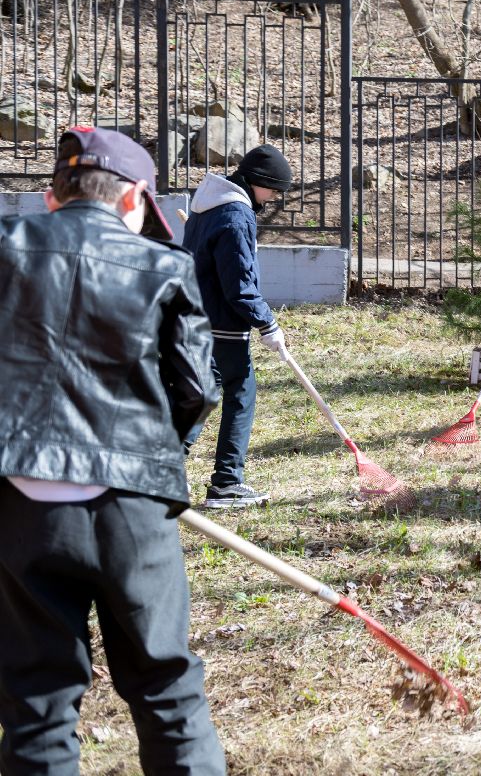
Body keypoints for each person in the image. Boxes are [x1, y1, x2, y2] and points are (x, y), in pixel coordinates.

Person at [0, 128, 226, 774]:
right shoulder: (162, 266)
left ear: (52, 198)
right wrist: (157, 458)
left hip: (20, 507)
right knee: (168, 690)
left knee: (35, 703)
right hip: (132, 508)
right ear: (133, 200)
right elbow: (198, 387)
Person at [183, 144, 294, 509]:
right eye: (274, 189)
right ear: (257, 181)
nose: (275, 197)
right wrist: (267, 323)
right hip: (221, 327)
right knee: (237, 394)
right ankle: (225, 483)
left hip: (198, 318)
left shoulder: (208, 205)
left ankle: (161, 473)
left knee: (200, 397)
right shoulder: (235, 215)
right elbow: (240, 286)